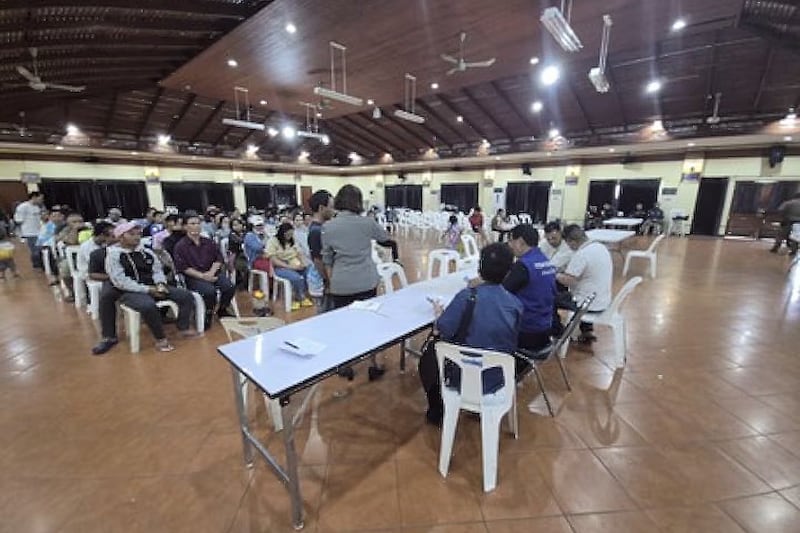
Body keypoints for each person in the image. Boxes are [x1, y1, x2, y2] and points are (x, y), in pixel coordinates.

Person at [420, 243, 522, 426]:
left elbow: (442, 329)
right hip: (498, 378)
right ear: (508, 273)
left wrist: (438, 314)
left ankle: (437, 411)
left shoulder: (466, 296)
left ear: (479, 269)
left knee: (428, 356)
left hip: (463, 376)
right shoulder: (515, 304)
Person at [322, 185, 391, 379]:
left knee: (343, 326)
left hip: (341, 283)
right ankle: (376, 364)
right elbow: (385, 238)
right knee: (369, 324)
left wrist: (332, 281)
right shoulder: (367, 223)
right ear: (358, 202)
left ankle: (345, 364)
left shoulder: (328, 227)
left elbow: (327, 260)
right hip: (366, 281)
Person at [106, 221, 199, 352]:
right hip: (129, 291)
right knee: (148, 305)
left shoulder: (146, 252)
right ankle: (160, 338)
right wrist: (148, 290)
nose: (137, 237)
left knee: (185, 296)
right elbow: (120, 281)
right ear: (120, 237)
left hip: (153, 286)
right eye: (131, 234)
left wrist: (160, 284)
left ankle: (183, 327)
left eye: (138, 234)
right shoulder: (114, 255)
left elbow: (157, 270)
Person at [173, 215, 236, 327]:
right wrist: (203, 276)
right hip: (194, 277)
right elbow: (183, 267)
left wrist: (211, 272)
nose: (196, 226)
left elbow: (218, 258)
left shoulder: (208, 242)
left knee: (229, 286)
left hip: (212, 272)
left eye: (198, 223)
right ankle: (207, 314)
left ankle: (222, 308)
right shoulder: (180, 246)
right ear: (185, 227)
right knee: (209, 291)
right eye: (192, 223)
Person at [503, 224, 556, 352]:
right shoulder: (545, 260)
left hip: (527, 330)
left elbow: (501, 293)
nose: (509, 245)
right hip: (545, 325)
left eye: (511, 240)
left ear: (520, 242)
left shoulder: (524, 266)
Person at [556, 225, 613, 342]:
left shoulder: (582, 254)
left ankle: (558, 332)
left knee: (551, 299)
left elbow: (568, 280)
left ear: (571, 241)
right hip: (603, 300)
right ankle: (587, 329)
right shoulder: (601, 247)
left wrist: (554, 274)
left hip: (587, 305)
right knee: (585, 287)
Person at [266, 222, 313, 310]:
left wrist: (302, 262)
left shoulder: (292, 240)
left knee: (309, 272)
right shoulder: (273, 241)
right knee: (296, 278)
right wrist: (291, 267)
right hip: (281, 267)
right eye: (288, 234)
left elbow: (299, 253)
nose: (290, 236)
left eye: (291, 234)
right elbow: (274, 260)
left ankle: (304, 294)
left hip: (294, 263)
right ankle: (298, 298)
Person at [307, 190, 335, 310]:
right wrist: (328, 281)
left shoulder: (322, 228)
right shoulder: (316, 232)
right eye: (331, 207)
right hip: (321, 284)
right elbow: (318, 261)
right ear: (321, 208)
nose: (333, 211)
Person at [13, 191, 45, 270]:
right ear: (34, 197)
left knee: (40, 249)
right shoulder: (23, 207)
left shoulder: (37, 207)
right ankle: (36, 265)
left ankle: (42, 264)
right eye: (40, 198)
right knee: (35, 250)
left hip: (39, 231)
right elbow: (18, 220)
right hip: (30, 232)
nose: (42, 200)